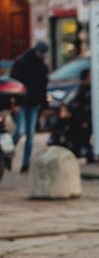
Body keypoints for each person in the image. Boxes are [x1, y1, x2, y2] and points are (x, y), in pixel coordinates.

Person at [9, 41, 49, 174]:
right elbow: (13, 83)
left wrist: (44, 106)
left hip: (34, 103)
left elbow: (43, 87)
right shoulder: (22, 63)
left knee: (30, 135)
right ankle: (6, 152)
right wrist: (13, 103)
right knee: (20, 131)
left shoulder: (42, 66)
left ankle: (25, 163)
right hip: (21, 103)